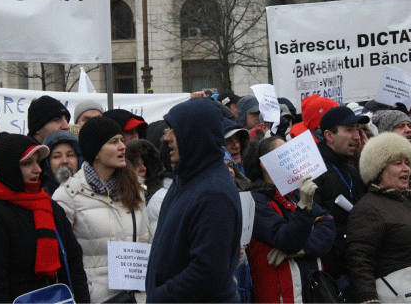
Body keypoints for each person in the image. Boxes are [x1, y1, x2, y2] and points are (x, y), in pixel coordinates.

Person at [145, 97, 242, 303]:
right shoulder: (189, 179)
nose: (166, 138)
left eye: (175, 131)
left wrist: (160, 296)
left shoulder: (214, 193)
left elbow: (208, 271)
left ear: (194, 135)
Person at [0, 132, 90, 303]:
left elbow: (74, 262)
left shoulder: (51, 207)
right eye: (27, 163)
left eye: (38, 162)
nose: (37, 169)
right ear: (10, 167)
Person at [53, 116, 150, 302]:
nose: (122, 146)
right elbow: (64, 260)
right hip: (97, 299)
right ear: (95, 151)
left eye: (122, 140)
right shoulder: (68, 195)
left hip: (137, 297)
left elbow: (146, 242)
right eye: (114, 142)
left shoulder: (136, 189)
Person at [242, 136, 336, 303]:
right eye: (284, 153)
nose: (292, 157)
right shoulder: (255, 201)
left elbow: (327, 223)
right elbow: (287, 240)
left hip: (311, 294)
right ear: (264, 164)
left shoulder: (296, 194)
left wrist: (303, 248)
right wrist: (304, 208)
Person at [346, 132, 411, 303]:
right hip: (395, 296)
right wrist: (369, 299)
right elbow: (359, 260)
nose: (406, 168)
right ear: (379, 170)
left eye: (407, 162)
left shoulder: (406, 201)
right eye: (398, 163)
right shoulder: (368, 208)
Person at [313, 105, 369, 286]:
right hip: (335, 277)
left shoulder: (352, 171)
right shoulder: (314, 172)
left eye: (358, 130)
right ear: (329, 136)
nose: (357, 136)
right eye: (349, 130)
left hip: (358, 269)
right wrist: (335, 275)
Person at [41, 130, 82, 195]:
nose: (64, 161)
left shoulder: (93, 192)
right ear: (47, 162)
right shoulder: (41, 197)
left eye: (70, 155)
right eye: (57, 156)